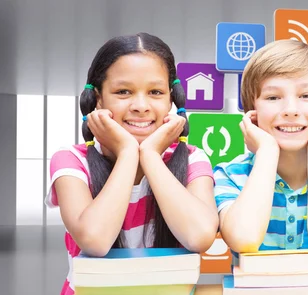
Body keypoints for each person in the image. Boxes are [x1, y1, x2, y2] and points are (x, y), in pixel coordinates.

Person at [45, 33, 219, 295]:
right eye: (123, 91)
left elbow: (200, 236)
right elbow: (95, 240)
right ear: (98, 99)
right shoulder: (71, 159)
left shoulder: (193, 158)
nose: (140, 105)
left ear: (171, 100)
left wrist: (149, 155)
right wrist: (127, 152)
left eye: (155, 92)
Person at [213, 40, 308, 260]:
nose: (291, 110)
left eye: (306, 96)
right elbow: (243, 239)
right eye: (273, 97)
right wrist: (266, 151)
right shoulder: (230, 174)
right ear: (252, 112)